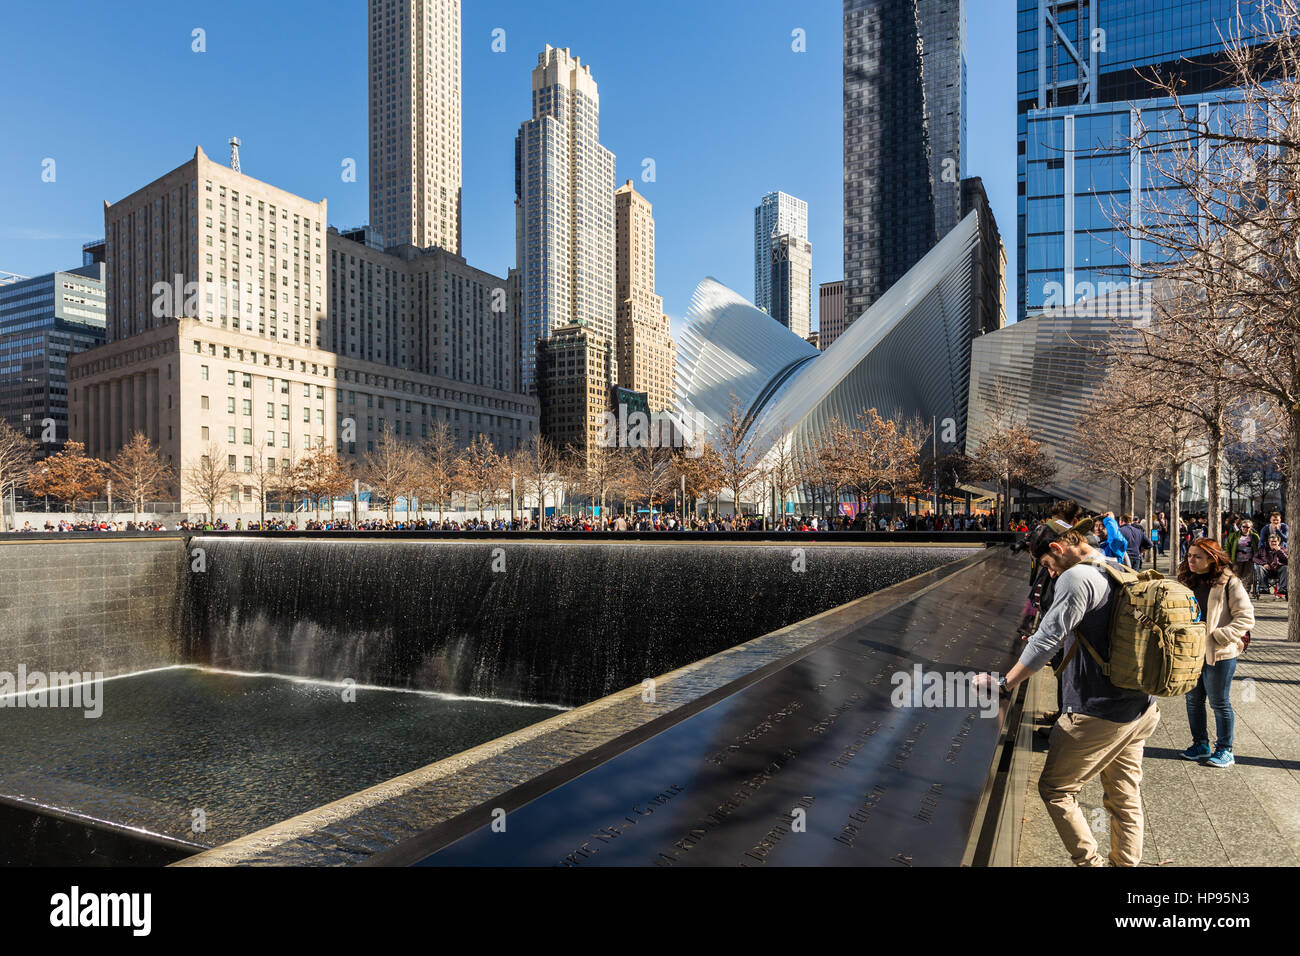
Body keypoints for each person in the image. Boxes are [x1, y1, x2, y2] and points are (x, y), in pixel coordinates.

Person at [977, 522, 1159, 867]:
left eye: (1047, 564)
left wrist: (1004, 684)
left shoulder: (1075, 578)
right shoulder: (1115, 566)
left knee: (1057, 790)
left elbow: (1046, 640)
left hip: (1097, 711)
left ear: (1058, 549)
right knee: (1124, 794)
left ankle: (1090, 863)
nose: (1049, 571)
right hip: (1140, 707)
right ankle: (1126, 863)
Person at [1178, 539, 1252, 768]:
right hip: (1191, 651)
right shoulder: (1185, 581)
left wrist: (1220, 635)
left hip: (1219, 652)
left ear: (1212, 558)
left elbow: (1246, 617)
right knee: (1193, 700)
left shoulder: (1230, 582)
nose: (1191, 560)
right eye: (1189, 555)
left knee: (1219, 702)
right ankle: (1200, 744)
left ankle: (1225, 749)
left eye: (1197, 556)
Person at [1226, 519, 1261, 595]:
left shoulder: (1255, 536)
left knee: (1247, 577)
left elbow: (1259, 548)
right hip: (1236, 560)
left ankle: (1245, 593)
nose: (1245, 528)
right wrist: (1228, 558)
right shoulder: (1233, 535)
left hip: (1249, 560)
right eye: (1243, 526)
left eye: (1247, 527)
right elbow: (1227, 547)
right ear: (1241, 526)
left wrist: (1257, 558)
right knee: (1236, 576)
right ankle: (1235, 592)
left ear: (1251, 528)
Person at [1254, 533, 1289, 600]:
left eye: (1275, 541)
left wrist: (1279, 551)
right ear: (1269, 542)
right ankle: (1264, 588)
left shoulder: (1283, 549)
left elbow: (1287, 560)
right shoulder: (1263, 549)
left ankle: (1283, 589)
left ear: (1278, 542)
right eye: (1271, 541)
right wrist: (1264, 563)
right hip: (1266, 571)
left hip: (1279, 571)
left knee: (1285, 567)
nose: (1273, 543)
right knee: (1259, 567)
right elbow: (1254, 558)